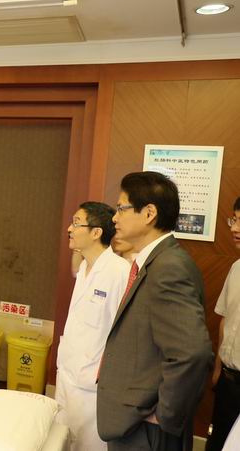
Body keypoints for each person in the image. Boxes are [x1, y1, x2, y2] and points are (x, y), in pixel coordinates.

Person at [97, 171, 213, 451]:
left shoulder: (168, 267)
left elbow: (192, 354)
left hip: (146, 427)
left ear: (149, 213)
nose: (114, 218)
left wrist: (165, 416)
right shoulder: (155, 262)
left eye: (121, 208)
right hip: (133, 418)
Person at [56, 202, 130, 451]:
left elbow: (124, 333)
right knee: (62, 440)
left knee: (88, 445)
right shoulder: (84, 266)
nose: (69, 229)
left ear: (96, 232)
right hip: (67, 372)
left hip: (92, 384)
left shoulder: (119, 272)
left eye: (76, 223)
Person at [206, 197, 240, 451]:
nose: (234, 228)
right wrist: (218, 368)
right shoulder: (236, 268)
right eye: (234, 220)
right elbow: (225, 319)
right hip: (228, 381)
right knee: (218, 443)